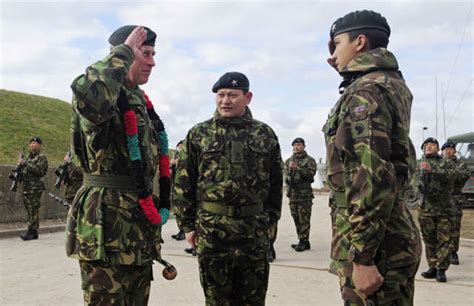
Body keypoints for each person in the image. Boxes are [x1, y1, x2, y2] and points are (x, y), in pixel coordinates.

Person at [65, 25, 171, 305]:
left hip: (137, 228)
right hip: (107, 228)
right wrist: (122, 52)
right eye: (144, 53)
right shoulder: (105, 94)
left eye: (153, 54)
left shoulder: (139, 99)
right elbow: (89, 94)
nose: (152, 61)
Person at [323, 10, 422, 305]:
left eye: (336, 44)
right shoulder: (390, 84)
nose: (332, 55)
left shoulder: (365, 93)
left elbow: (370, 176)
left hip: (377, 247)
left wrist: (363, 257)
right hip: (391, 235)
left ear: (360, 42)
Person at [172, 71, 283, 305]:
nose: (225, 100)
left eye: (232, 95)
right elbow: (183, 183)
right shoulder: (199, 134)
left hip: (253, 231)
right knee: (216, 300)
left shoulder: (264, 134)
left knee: (253, 300)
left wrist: (270, 222)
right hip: (213, 231)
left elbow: (275, 182)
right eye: (221, 95)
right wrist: (188, 225)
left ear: (248, 97)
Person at [417, 138, 456, 282]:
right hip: (426, 209)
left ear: (438, 149)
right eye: (426, 145)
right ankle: (432, 266)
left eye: (432, 145)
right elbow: (413, 182)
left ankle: (441, 269)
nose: (429, 147)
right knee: (429, 240)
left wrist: (433, 170)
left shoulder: (445, 162)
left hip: (444, 209)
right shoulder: (418, 163)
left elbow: (453, 176)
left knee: (444, 240)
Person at [285, 137, 317, 252]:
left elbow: (310, 176)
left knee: (304, 219)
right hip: (293, 195)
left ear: (303, 146)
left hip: (304, 195)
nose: (296, 147)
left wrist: (297, 169)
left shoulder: (309, 160)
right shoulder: (289, 161)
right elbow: (286, 176)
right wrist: (288, 178)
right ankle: (303, 241)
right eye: (294, 145)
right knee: (296, 218)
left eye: (299, 145)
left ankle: (303, 240)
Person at [441, 141, 470, 265]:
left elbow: (464, 176)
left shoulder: (461, 164)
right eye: (446, 149)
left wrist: (446, 174)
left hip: (455, 199)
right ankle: (442, 252)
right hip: (440, 200)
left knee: (454, 226)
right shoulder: (439, 163)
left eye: (451, 149)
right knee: (440, 227)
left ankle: (453, 252)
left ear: (454, 151)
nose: (448, 151)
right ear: (442, 151)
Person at [18, 137, 48, 241]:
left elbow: (39, 170)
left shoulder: (41, 158)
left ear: (40, 145)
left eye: (34, 143)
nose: (32, 145)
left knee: (33, 209)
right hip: (27, 187)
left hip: (35, 188)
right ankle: (34, 232)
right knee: (29, 209)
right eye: (31, 143)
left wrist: (25, 164)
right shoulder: (29, 158)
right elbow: (25, 172)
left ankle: (31, 231)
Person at [170, 140, 186, 241]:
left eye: (181, 147)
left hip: (184, 187)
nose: (179, 149)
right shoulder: (175, 157)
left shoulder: (187, 157)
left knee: (184, 210)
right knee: (177, 210)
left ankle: (185, 231)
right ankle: (181, 230)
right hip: (175, 187)